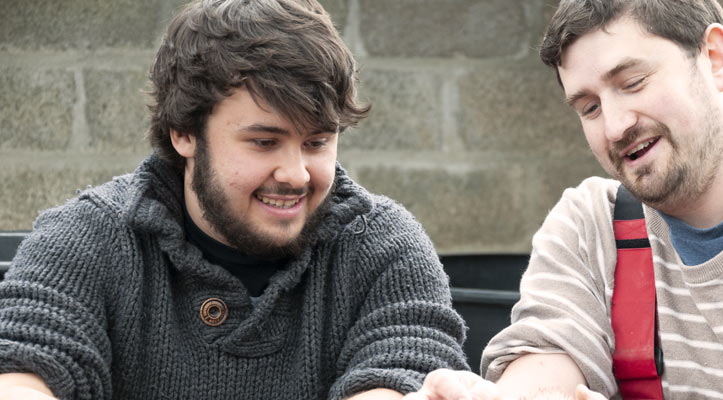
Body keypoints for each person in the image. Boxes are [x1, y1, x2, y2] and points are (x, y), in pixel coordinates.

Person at [0, 0, 469, 399]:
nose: (295, 174)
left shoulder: (384, 247)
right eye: (264, 142)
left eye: (318, 142)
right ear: (183, 133)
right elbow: (22, 368)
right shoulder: (89, 236)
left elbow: (403, 375)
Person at [405, 0, 723, 399]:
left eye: (632, 82)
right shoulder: (591, 227)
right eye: (589, 107)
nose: (614, 127)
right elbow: (542, 373)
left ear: (714, 58)